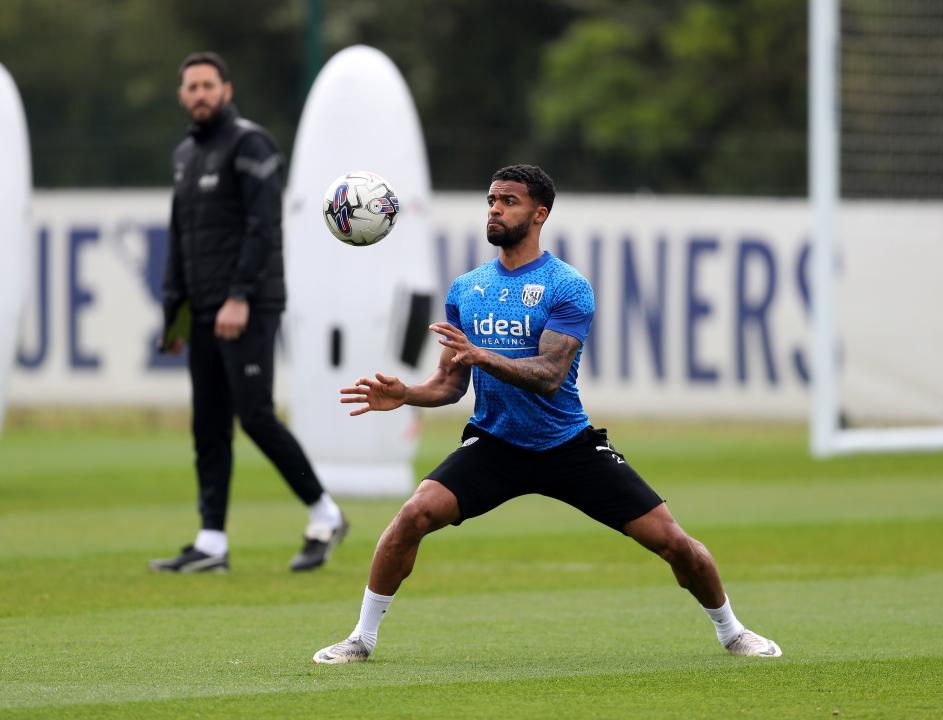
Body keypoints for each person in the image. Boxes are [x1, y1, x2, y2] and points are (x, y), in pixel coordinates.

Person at [313, 164, 782, 663]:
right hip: (495, 444)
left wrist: (484, 355)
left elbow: (550, 373)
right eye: (491, 199)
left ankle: (733, 632)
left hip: (567, 446)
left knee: (673, 542)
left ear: (540, 214)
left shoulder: (567, 285)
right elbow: (452, 384)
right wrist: (407, 393)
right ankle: (361, 639)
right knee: (413, 515)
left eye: (508, 201)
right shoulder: (466, 289)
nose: (494, 208)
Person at [150, 52, 348, 573]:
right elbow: (181, 237)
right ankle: (211, 543)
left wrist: (240, 295)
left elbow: (264, 227)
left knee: (254, 415)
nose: (199, 94)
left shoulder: (250, 144)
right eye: (190, 86)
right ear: (181, 94)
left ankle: (326, 515)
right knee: (208, 424)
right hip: (204, 309)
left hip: (249, 304)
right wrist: (174, 314)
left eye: (207, 85)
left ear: (226, 89)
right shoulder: (185, 156)